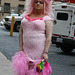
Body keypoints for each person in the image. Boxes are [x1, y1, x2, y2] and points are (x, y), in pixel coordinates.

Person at [11, 0, 54, 75]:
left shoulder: (47, 19)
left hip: (38, 52)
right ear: (32, 3)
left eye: (41, 2)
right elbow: (21, 32)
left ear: (45, 5)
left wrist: (45, 52)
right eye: (36, 2)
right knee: (24, 71)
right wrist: (21, 47)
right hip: (26, 51)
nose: (38, 4)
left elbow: (48, 37)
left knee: (36, 72)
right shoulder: (26, 16)